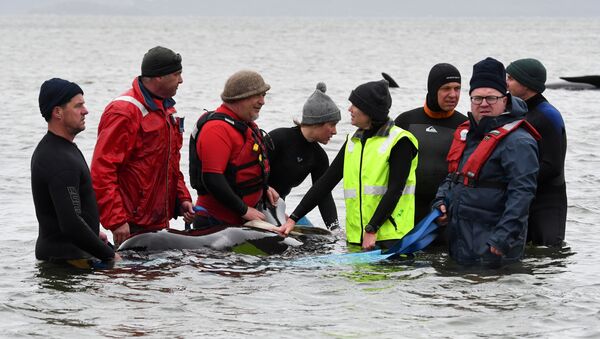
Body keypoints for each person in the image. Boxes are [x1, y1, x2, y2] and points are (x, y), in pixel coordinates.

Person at [279, 79, 419, 250]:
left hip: (391, 239)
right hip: (356, 239)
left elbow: (395, 189)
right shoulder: (353, 140)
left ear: (370, 111)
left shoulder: (400, 141)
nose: (349, 109)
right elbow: (326, 182)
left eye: (355, 105)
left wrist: (372, 228)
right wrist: (294, 217)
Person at [433, 57, 540, 267]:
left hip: (494, 246)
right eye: (477, 98)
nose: (483, 104)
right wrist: (440, 201)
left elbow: (522, 193)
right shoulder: (469, 134)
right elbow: (453, 176)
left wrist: (502, 238)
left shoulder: (519, 141)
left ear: (505, 99)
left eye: (491, 98)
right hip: (461, 240)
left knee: (495, 299)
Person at [91, 46, 194, 247]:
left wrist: (182, 198)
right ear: (158, 77)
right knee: (133, 277)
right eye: (176, 74)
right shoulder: (124, 111)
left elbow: (170, 164)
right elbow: (102, 170)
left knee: (162, 276)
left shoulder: (167, 109)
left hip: (159, 221)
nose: (181, 80)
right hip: (132, 225)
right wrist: (117, 221)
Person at [32, 78, 119, 265]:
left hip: (72, 254)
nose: (85, 111)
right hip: (68, 261)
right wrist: (110, 256)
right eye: (78, 106)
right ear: (58, 112)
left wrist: (94, 234)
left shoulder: (59, 148)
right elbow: (71, 223)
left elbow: (68, 211)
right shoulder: (58, 159)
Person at [189, 70, 279, 228]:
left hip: (243, 221)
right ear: (239, 98)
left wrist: (264, 188)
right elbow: (212, 178)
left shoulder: (244, 124)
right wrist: (244, 210)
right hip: (216, 223)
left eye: (264, 95)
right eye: (257, 95)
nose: (262, 101)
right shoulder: (216, 129)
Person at [394, 63, 467, 243]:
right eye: (446, 88)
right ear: (433, 89)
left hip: (443, 212)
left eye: (458, 88)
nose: (453, 94)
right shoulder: (406, 121)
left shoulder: (464, 125)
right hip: (407, 210)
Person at [506, 58, 568, 247]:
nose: (505, 83)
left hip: (547, 201)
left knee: (546, 257)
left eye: (510, 78)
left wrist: (515, 180)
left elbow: (553, 166)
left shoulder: (548, 115)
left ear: (527, 83)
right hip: (522, 198)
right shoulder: (517, 113)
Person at [268, 82, 340, 230]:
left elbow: (323, 194)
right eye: (332, 125)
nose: (335, 131)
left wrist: (335, 229)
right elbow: (250, 174)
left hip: (277, 209)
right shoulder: (278, 138)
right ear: (316, 123)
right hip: (252, 206)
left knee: (318, 239)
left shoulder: (319, 157)